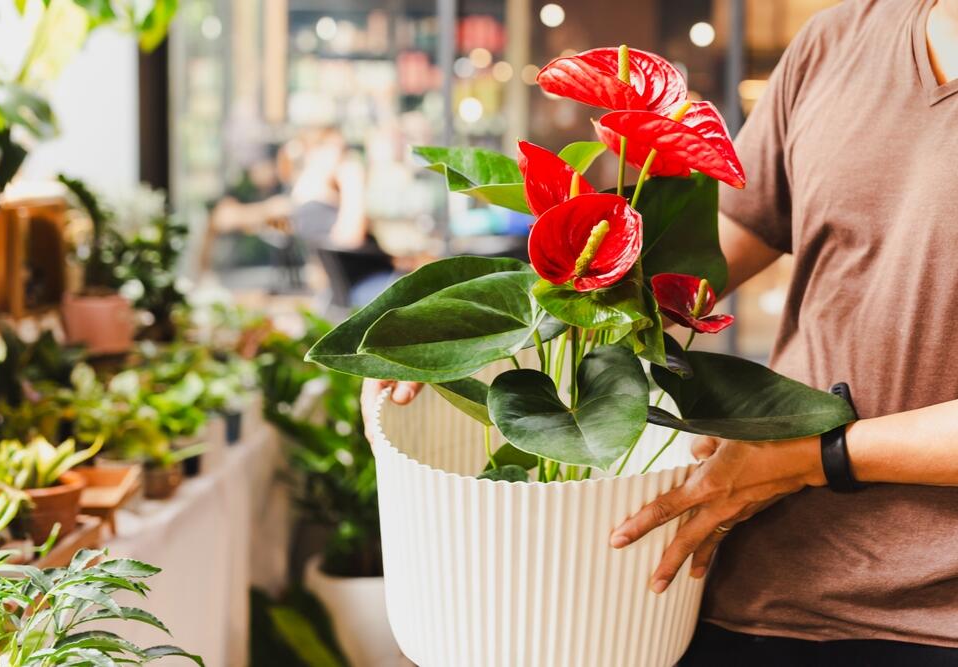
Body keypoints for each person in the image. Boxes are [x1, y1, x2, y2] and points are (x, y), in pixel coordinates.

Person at [362, 0, 958, 663]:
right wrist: (457, 335)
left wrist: (817, 457)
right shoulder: (839, 41)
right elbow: (705, 257)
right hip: (745, 580)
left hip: (929, 619)